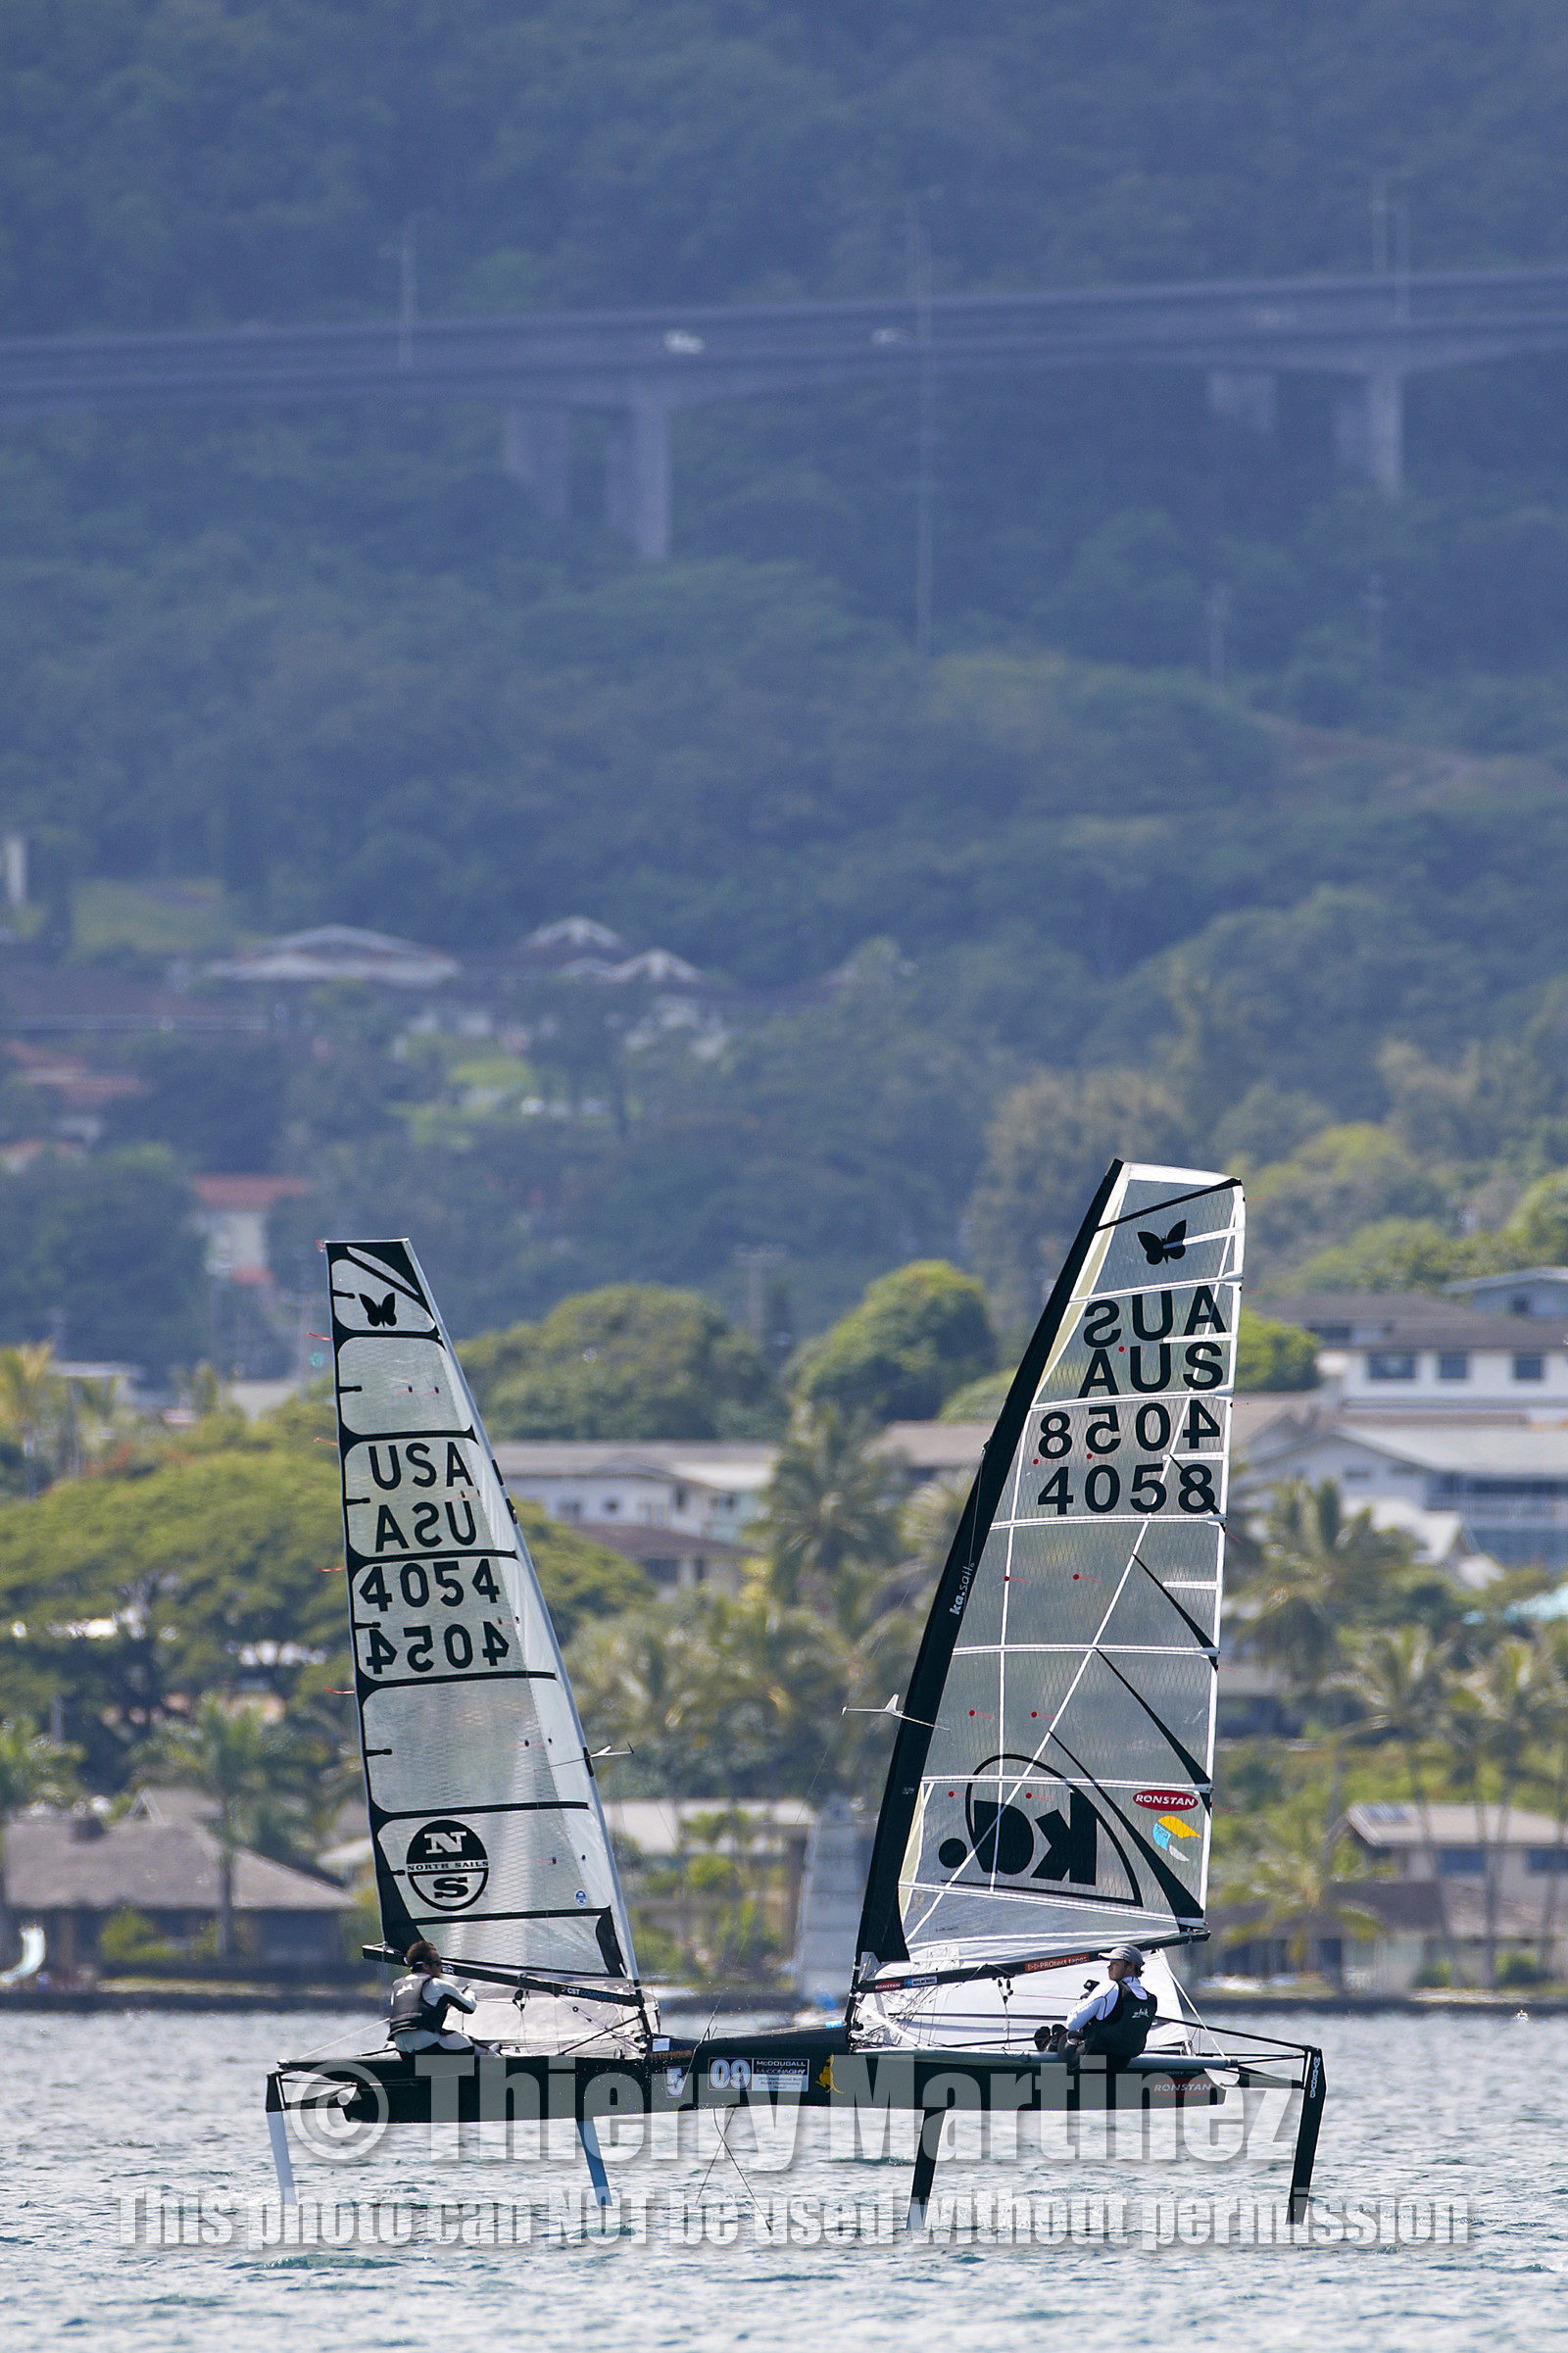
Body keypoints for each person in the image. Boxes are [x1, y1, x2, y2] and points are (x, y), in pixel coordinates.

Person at [1033, 1944, 1158, 2064]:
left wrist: (1085, 2001)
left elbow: (1072, 2022)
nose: (1109, 1967)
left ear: (1130, 1966)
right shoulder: (1150, 2000)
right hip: (1119, 2065)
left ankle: (1049, 2042)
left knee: (1061, 2034)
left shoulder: (1109, 1986)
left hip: (1092, 2064)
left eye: (1114, 1963)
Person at [387, 1938, 481, 2056]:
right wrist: (471, 1993)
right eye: (438, 1963)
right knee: (469, 2044)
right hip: (429, 2048)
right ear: (426, 1966)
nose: (440, 1968)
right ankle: (497, 2063)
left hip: (404, 2052)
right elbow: (470, 2007)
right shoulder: (438, 1984)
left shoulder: (397, 1987)